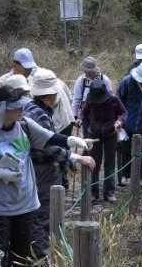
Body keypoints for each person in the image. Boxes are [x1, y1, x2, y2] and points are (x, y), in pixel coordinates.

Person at [0, 84, 94, 267]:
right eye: (16, 108)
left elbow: (50, 138)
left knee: (22, 249)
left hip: (26, 201)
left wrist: (71, 141)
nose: (21, 112)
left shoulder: (24, 125)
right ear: (1, 109)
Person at [24, 68, 95, 256]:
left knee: (45, 215)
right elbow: (47, 147)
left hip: (42, 170)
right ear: (51, 94)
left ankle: (45, 254)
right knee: (44, 217)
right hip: (42, 172)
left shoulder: (35, 110)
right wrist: (75, 157)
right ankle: (42, 259)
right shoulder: (37, 114)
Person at [0, 48, 75, 134]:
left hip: (60, 123)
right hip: (56, 123)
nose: (28, 70)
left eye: (29, 67)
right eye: (25, 67)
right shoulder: (3, 82)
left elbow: (67, 97)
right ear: (15, 65)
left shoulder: (41, 78)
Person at [82, 79, 127, 202]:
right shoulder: (90, 100)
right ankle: (93, 193)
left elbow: (123, 113)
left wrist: (119, 121)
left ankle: (109, 192)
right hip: (93, 135)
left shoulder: (113, 100)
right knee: (93, 164)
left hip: (110, 134)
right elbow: (84, 116)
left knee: (110, 164)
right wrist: (86, 134)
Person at [72, 56, 113, 126]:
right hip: (85, 116)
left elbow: (110, 99)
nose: (87, 73)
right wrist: (74, 116)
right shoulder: (81, 81)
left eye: (89, 71)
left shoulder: (104, 80)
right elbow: (76, 100)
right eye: (85, 71)